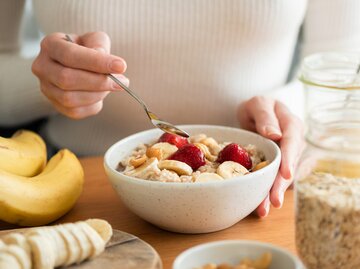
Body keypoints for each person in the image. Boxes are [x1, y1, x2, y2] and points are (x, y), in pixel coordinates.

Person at [1, 0, 359, 217]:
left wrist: (287, 110)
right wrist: (48, 81)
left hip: (255, 196)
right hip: (80, 191)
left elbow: (345, 67)